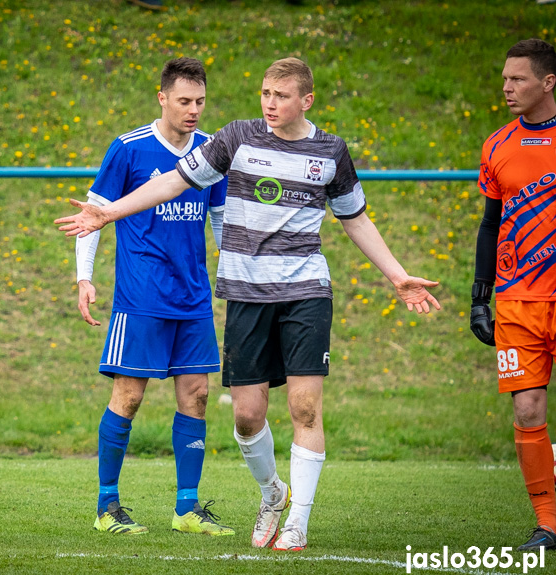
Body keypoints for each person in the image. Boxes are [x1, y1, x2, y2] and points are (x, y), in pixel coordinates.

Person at [58, 57, 440, 550]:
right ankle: (234, 496)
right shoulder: (220, 141)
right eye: (265, 93)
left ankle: (260, 517)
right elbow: (169, 183)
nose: (269, 103)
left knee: (263, 402)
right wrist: (102, 228)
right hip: (195, 296)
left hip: (271, 292)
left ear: (307, 100)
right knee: (214, 411)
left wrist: (397, 275)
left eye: (280, 95)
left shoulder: (318, 151)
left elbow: (346, 218)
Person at [74, 57, 232, 536]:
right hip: (140, 297)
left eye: (200, 101)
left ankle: (186, 509)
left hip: (194, 298)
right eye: (184, 101)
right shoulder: (128, 149)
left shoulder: (210, 151)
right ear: (162, 97)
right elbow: (93, 215)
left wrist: (236, 275)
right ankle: (107, 506)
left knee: (198, 395)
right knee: (129, 395)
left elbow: (221, 221)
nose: (193, 110)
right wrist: (84, 278)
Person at [471, 38, 556, 551]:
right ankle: (548, 524)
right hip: (517, 301)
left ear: (548, 82)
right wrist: (480, 295)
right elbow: (489, 224)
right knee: (527, 410)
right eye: (504, 78)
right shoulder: (496, 144)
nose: (506, 87)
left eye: (518, 79)